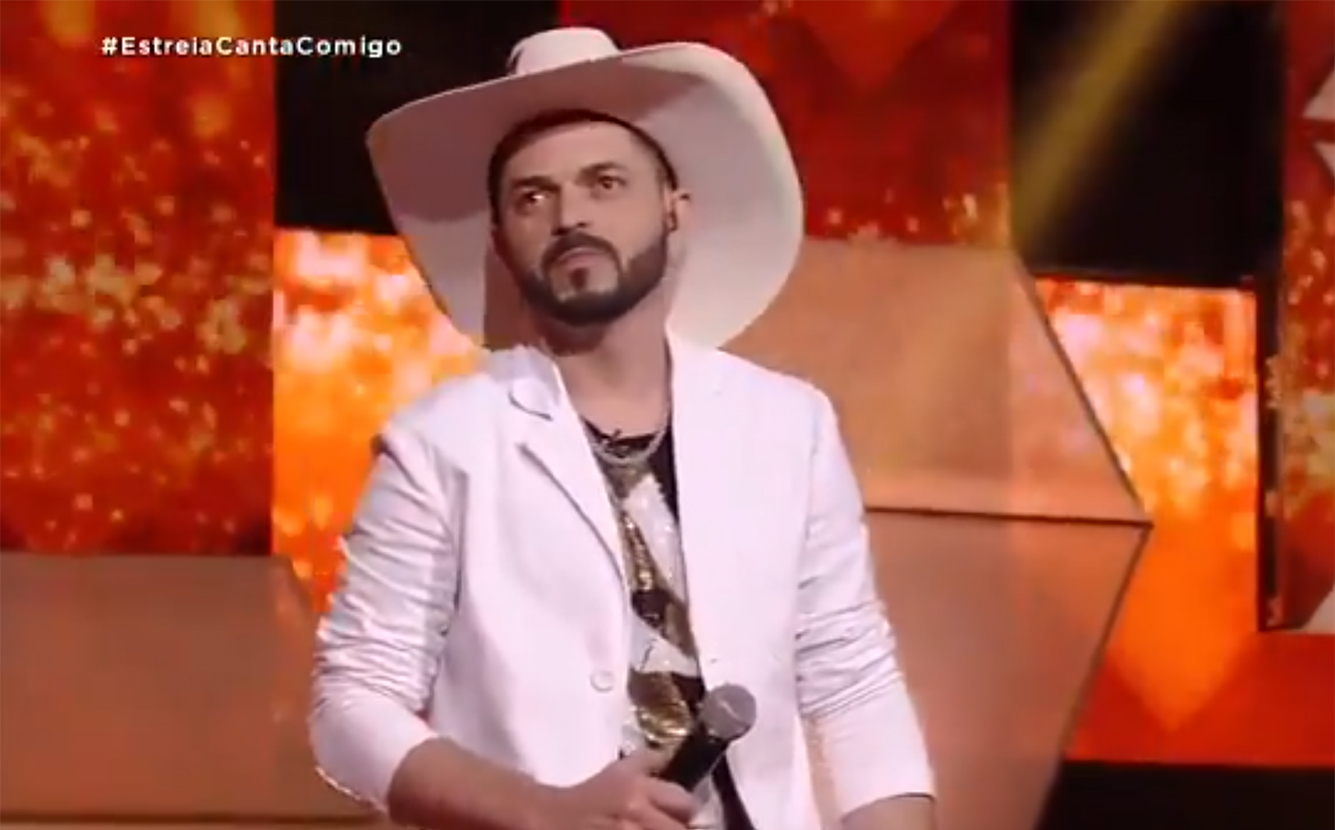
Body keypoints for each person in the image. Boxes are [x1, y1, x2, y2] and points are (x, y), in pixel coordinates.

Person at [309, 27, 935, 830]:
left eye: (604, 183)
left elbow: (852, 682)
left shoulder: (787, 424)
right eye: (532, 197)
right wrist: (545, 812)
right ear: (499, 240)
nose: (570, 215)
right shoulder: (442, 444)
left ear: (675, 210)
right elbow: (353, 704)